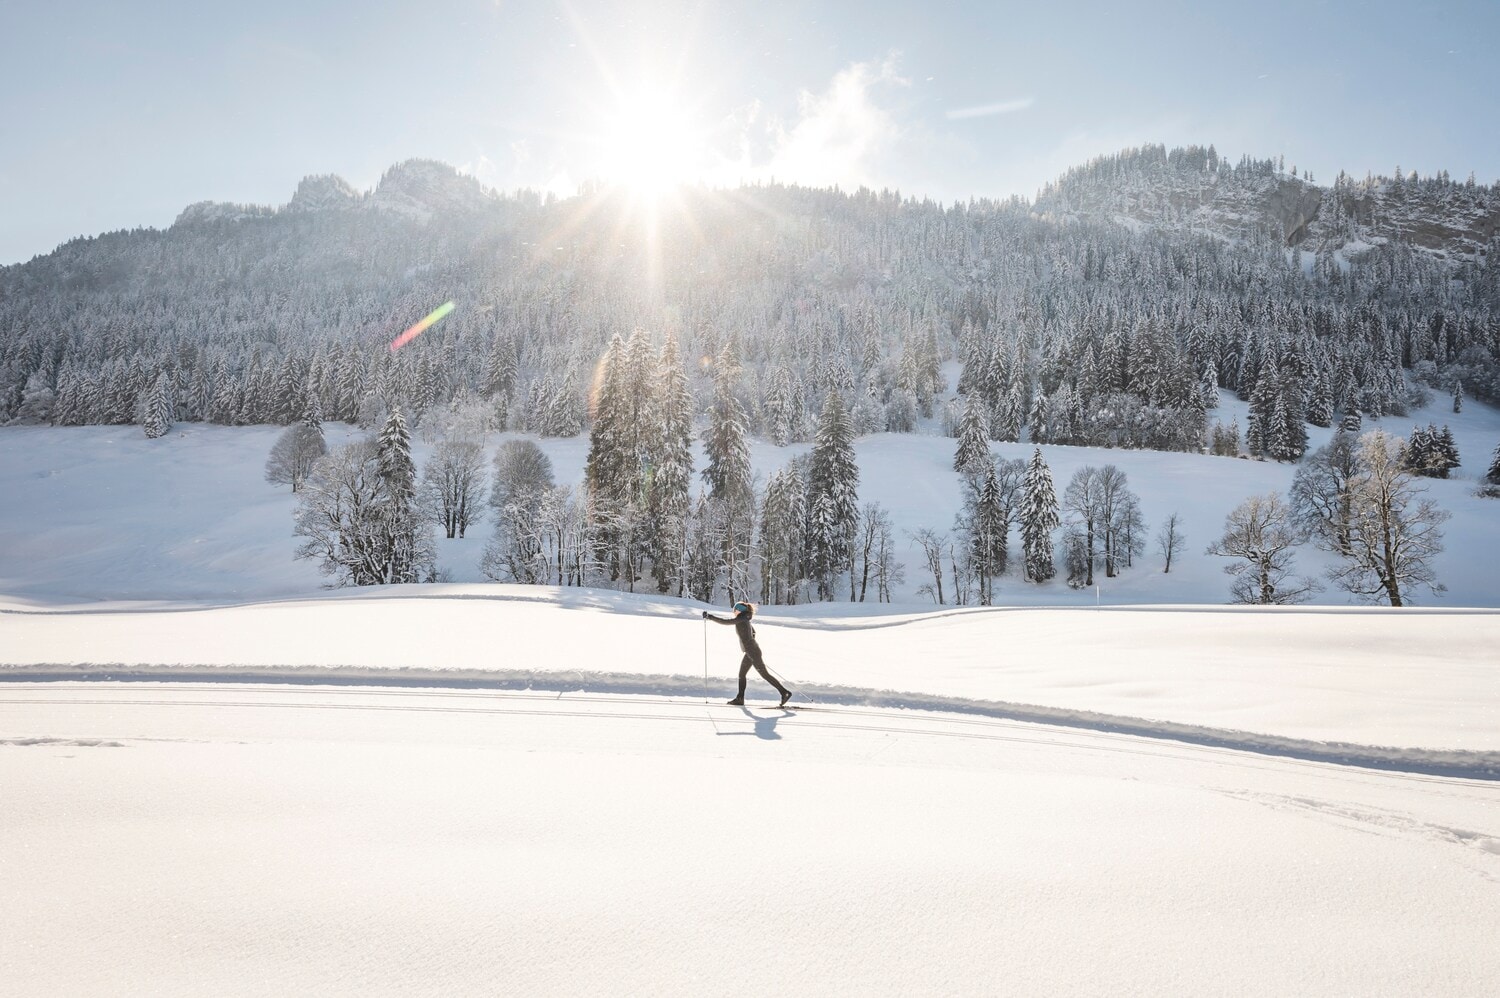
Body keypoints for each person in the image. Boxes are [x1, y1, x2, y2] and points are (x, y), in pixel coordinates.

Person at [703, 601, 792, 707]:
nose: (733, 612)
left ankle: (784, 692)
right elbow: (753, 632)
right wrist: (749, 644)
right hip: (751, 651)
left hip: (752, 652)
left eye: (734, 610)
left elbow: (726, 622)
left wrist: (710, 617)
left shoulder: (742, 618)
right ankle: (740, 698)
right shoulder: (745, 618)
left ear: (739, 610)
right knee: (742, 674)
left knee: (764, 674)